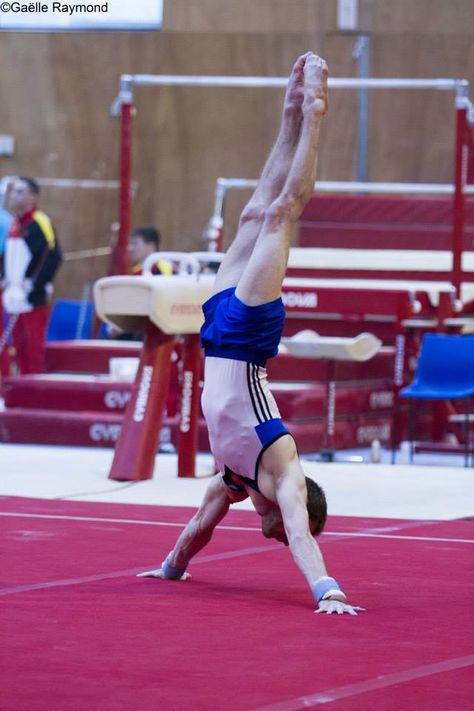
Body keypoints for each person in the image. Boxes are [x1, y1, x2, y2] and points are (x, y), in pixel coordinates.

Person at [138, 53, 364, 615]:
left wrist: (172, 567)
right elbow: (304, 538)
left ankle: (289, 112)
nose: (280, 536)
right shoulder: (284, 467)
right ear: (301, 510)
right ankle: (311, 113)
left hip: (217, 336)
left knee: (250, 218)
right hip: (250, 340)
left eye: (284, 536)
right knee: (282, 212)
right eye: (289, 529)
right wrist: (326, 590)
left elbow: (197, 527)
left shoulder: (235, 481)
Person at [1, 177, 61, 374]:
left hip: (32, 298)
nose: (13, 196)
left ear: (32, 198)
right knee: (19, 350)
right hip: (14, 295)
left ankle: (36, 396)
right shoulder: (14, 225)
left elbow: (53, 255)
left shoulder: (39, 222)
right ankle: (21, 394)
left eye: (20, 192)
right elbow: (9, 257)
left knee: (33, 350)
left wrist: (34, 284)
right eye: (12, 192)